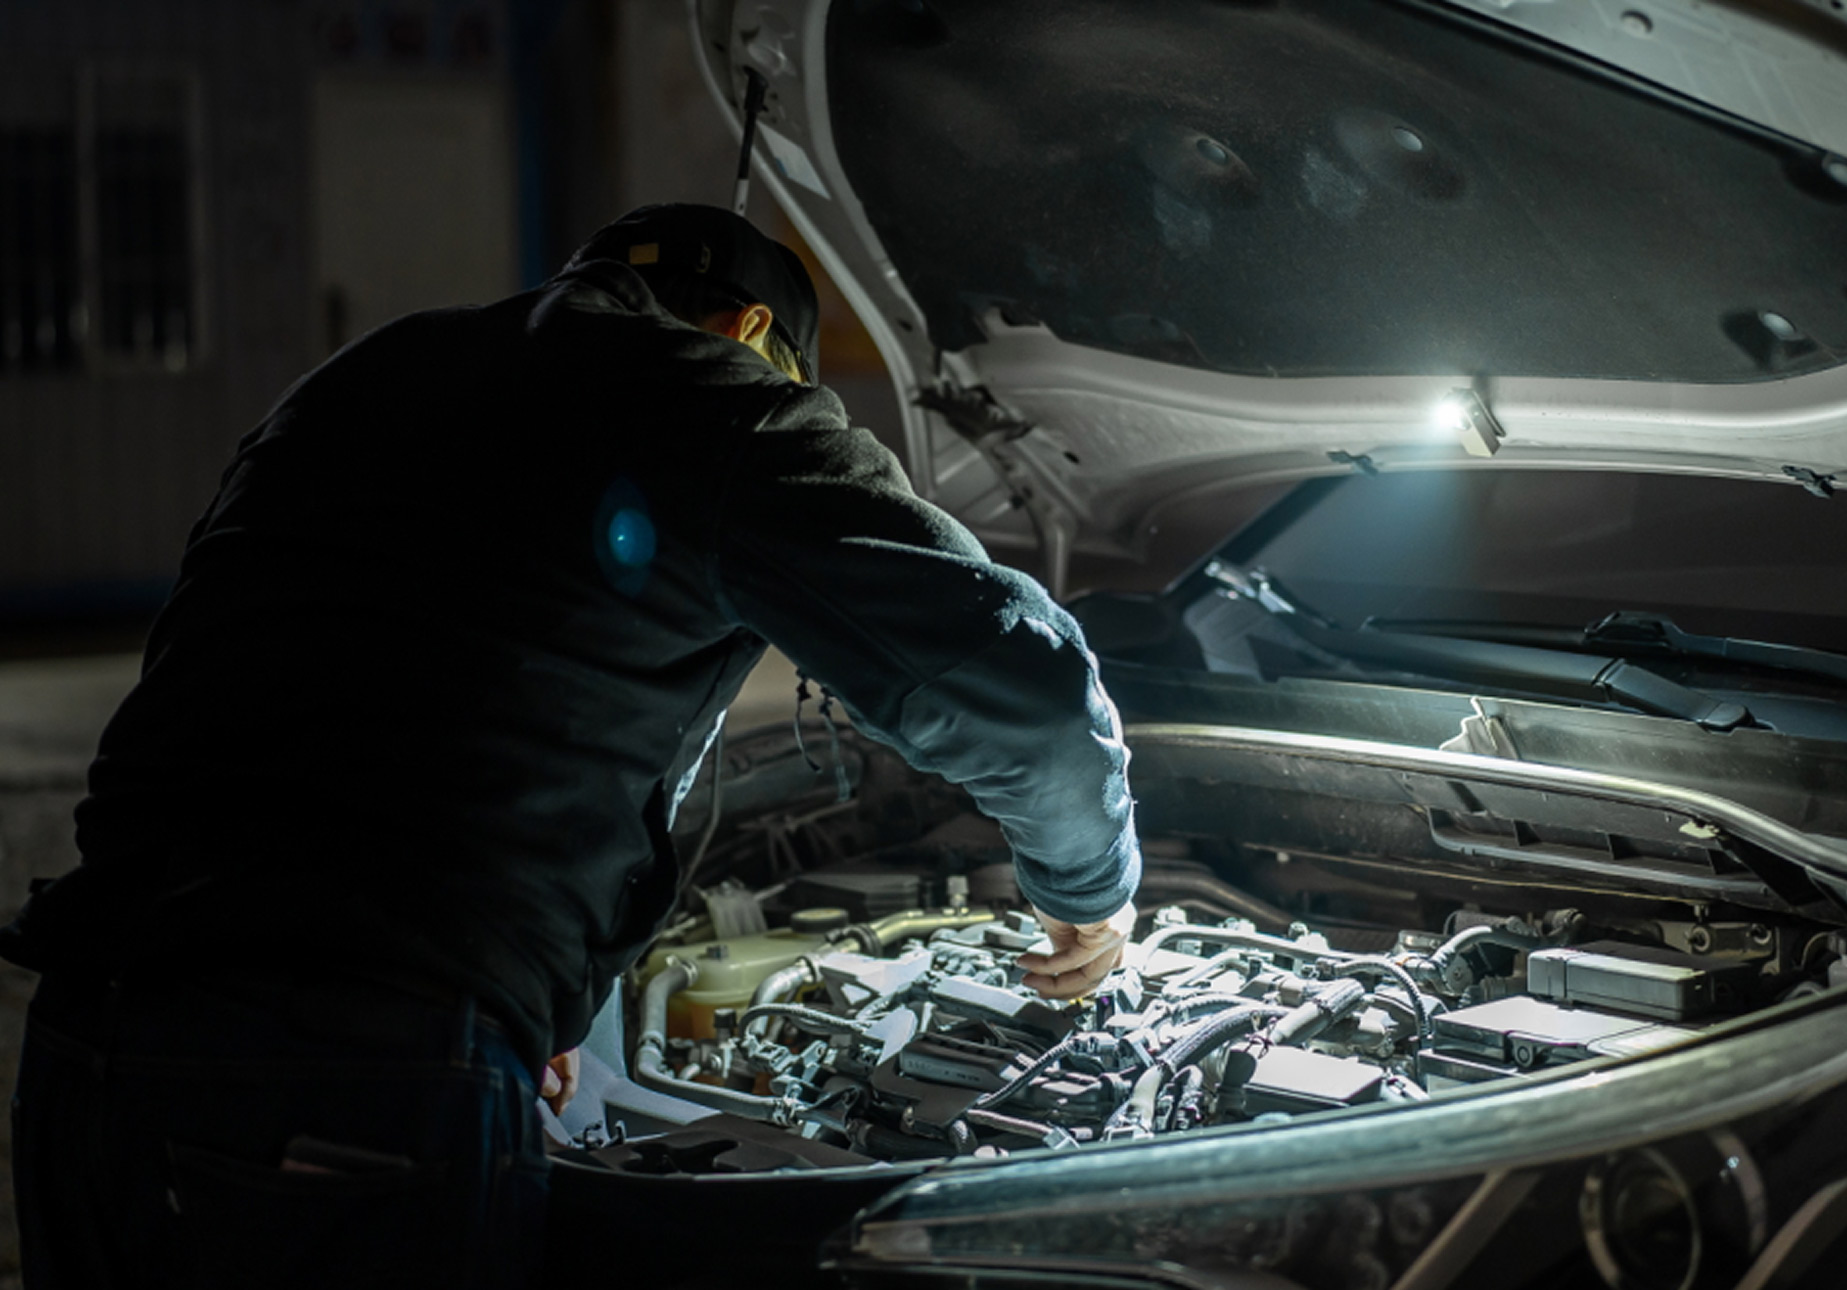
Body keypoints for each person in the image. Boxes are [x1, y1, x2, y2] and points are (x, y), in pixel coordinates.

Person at [1, 204, 1142, 1288]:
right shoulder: (721, 404)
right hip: (349, 1070)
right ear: (752, 331)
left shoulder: (365, 376)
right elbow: (1020, 687)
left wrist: (544, 1000)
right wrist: (1086, 891)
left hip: (87, 1031)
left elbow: (408, 677)